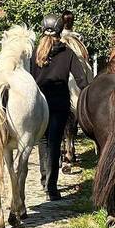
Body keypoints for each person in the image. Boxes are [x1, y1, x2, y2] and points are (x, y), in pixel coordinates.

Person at [31, 13, 91, 201]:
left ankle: (43, 181)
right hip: (59, 101)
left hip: (40, 101)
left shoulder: (35, 52)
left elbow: (31, 78)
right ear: (60, 30)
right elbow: (81, 80)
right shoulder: (68, 52)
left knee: (43, 142)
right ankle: (52, 187)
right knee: (56, 142)